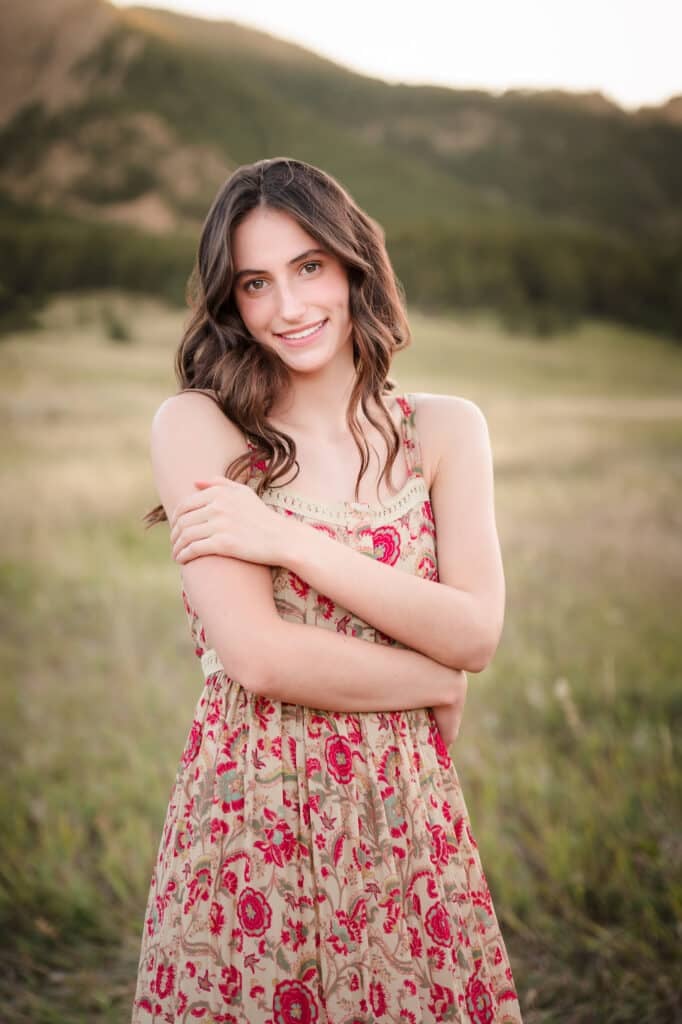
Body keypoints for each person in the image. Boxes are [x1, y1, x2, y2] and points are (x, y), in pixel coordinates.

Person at [131, 156, 523, 1023]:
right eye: (256, 284)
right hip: (250, 825)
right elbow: (260, 657)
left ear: (353, 265)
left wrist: (282, 538)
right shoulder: (200, 427)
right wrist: (432, 680)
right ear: (232, 303)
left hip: (410, 826)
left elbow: (477, 633)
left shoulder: (445, 432)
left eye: (309, 267)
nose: (290, 307)